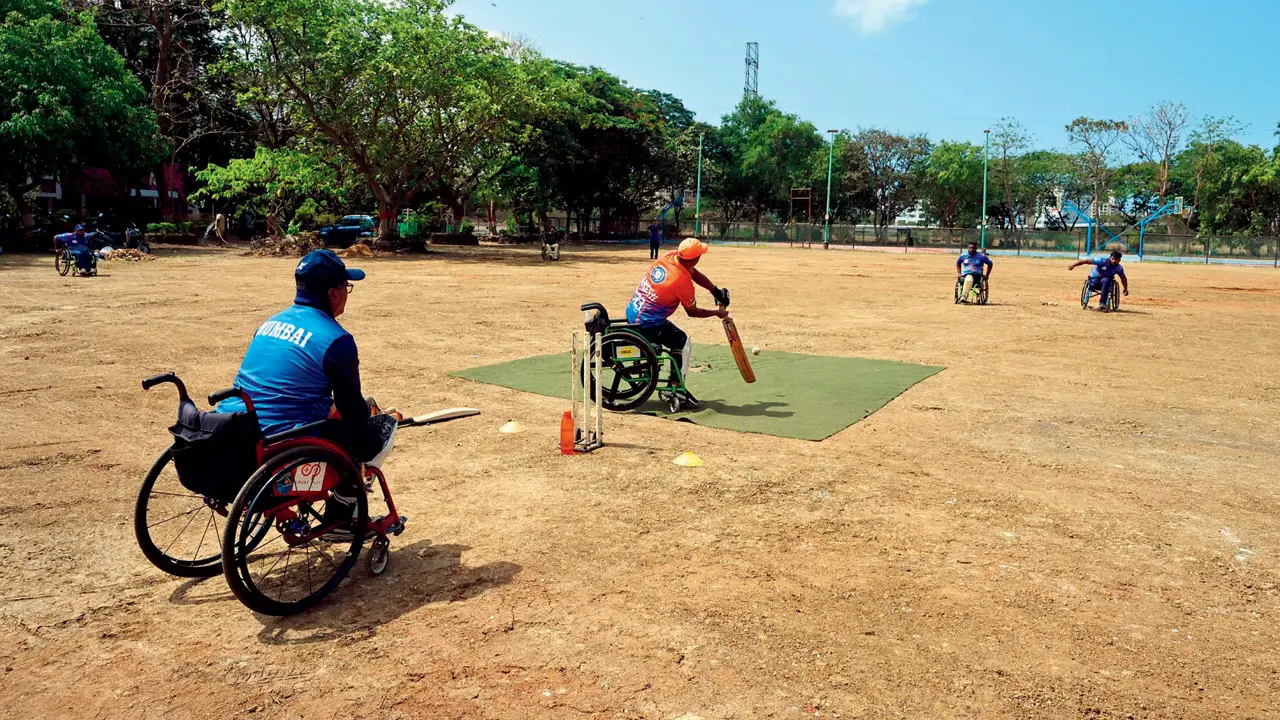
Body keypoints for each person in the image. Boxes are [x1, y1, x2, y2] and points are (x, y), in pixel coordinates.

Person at [218, 249, 395, 535]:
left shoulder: (268, 323)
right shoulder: (336, 339)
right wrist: (372, 413)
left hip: (236, 427)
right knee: (379, 430)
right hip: (284, 439)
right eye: (346, 287)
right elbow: (353, 412)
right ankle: (342, 508)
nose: (347, 293)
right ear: (334, 294)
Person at [626, 237, 729, 407]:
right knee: (682, 341)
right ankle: (676, 387)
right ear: (695, 258)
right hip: (647, 323)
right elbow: (692, 312)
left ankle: (672, 380)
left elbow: (693, 272)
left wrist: (715, 290)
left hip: (634, 311)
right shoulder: (680, 281)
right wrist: (717, 313)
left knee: (674, 338)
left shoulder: (670, 257)